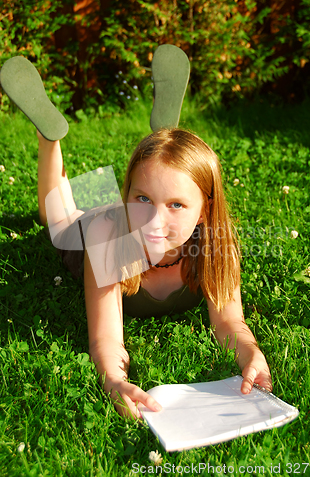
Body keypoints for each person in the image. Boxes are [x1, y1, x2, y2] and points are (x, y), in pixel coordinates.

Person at [0, 45, 272, 420]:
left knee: (158, 174)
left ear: (205, 210)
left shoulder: (217, 244)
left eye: (177, 204)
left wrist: (251, 353)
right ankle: (50, 139)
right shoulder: (105, 240)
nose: (154, 222)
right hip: (106, 226)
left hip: (126, 209)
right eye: (143, 198)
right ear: (126, 192)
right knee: (57, 220)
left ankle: (166, 144)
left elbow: (229, 322)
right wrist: (114, 379)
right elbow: (106, 339)